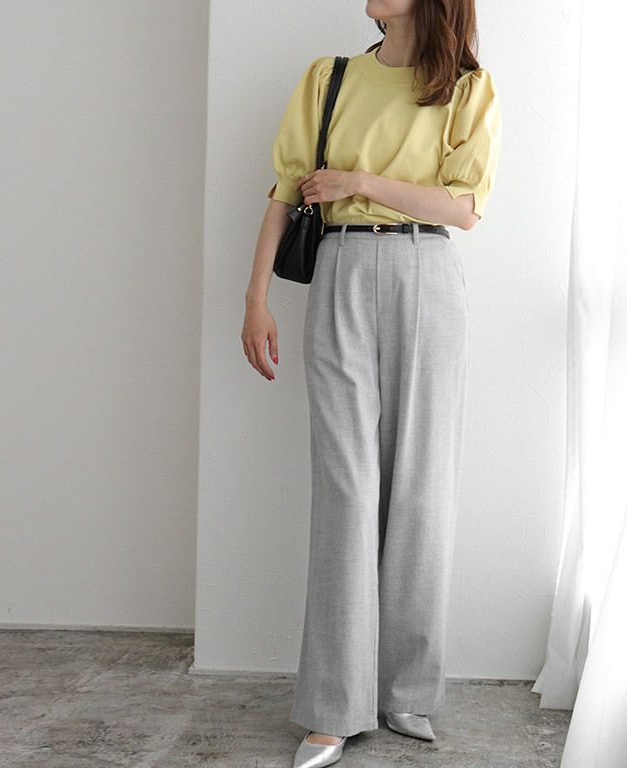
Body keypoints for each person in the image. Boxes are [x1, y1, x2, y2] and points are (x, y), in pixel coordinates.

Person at [241, 2, 501, 766]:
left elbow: (464, 207)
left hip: (428, 270)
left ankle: (407, 692)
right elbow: (284, 191)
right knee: (345, 490)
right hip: (341, 268)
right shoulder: (329, 80)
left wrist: (360, 179)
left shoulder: (467, 87)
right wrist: (255, 299)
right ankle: (332, 706)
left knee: (423, 488)